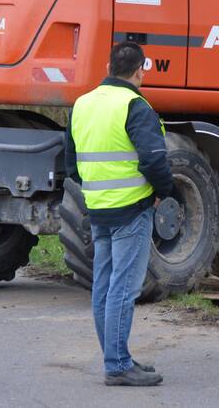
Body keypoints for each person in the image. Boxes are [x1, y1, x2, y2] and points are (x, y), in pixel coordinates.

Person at [65, 41, 173, 387]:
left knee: (105, 286)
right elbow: (154, 158)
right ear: (140, 70)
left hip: (98, 208)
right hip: (131, 209)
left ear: (108, 67)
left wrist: (98, 189)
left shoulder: (82, 104)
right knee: (123, 289)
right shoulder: (135, 105)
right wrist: (162, 192)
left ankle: (118, 357)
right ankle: (117, 364)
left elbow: (71, 164)